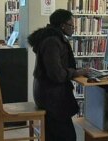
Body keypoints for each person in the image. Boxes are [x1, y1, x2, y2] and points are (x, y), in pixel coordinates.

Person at [28, 9, 89, 141]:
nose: (73, 28)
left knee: (65, 134)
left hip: (47, 92)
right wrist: (76, 72)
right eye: (71, 25)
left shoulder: (52, 38)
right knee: (68, 136)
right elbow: (56, 74)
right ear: (62, 25)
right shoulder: (52, 41)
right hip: (51, 97)